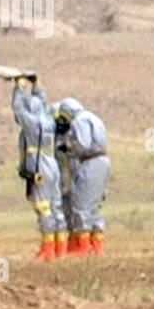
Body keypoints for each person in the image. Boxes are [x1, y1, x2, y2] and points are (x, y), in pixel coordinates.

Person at [12, 79, 66, 261]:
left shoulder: (31, 122)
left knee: (42, 206)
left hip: (39, 165)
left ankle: (48, 249)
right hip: (52, 163)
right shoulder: (48, 119)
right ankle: (60, 247)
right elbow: (40, 101)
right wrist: (36, 86)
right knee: (55, 205)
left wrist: (19, 87)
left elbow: (18, 108)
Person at [55, 98, 110, 256]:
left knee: (82, 204)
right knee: (94, 206)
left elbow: (83, 144)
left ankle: (83, 246)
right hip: (102, 162)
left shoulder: (79, 121)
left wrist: (68, 148)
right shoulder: (93, 118)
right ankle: (96, 245)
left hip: (89, 162)